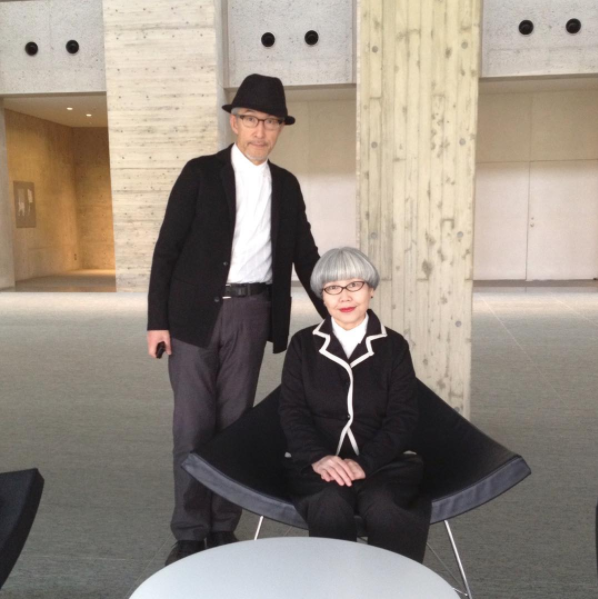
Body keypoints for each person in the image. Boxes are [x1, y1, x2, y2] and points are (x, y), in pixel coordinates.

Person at [147, 73, 327, 565]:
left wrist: (335, 311)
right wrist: (156, 321)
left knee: (234, 428)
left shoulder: (286, 186)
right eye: (250, 119)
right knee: (191, 427)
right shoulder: (200, 173)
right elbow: (167, 249)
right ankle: (189, 529)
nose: (259, 130)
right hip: (192, 318)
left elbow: (306, 255)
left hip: (253, 313)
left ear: (280, 128)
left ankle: (223, 527)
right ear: (234, 122)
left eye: (270, 122)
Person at [279, 247, 430, 561]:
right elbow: (292, 411)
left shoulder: (394, 346)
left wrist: (365, 463)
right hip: (318, 465)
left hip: (384, 463)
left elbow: (403, 416)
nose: (344, 296)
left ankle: (394, 590)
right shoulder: (303, 344)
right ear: (323, 296)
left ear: (371, 289)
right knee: (329, 501)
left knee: (386, 506)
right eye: (333, 288)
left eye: (354, 285)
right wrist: (318, 457)